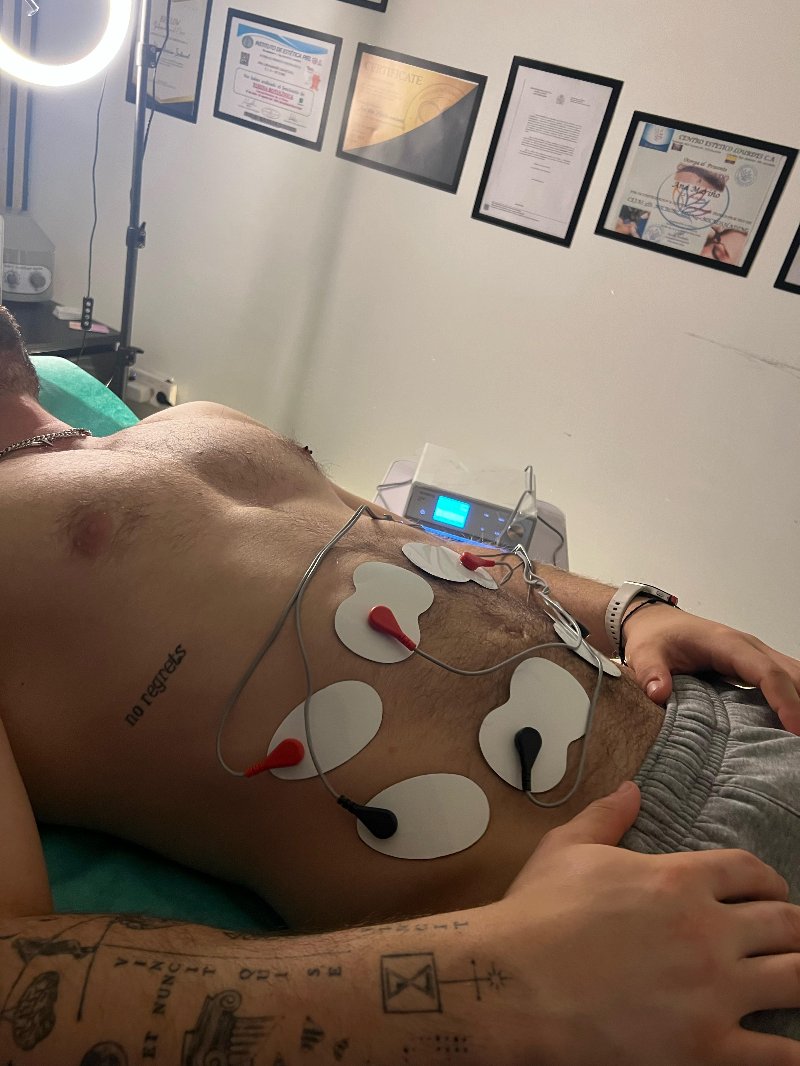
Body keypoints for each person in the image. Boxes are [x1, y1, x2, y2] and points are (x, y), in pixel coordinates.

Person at [2, 304, 800, 1062]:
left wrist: (630, 610)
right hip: (634, 920)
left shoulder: (191, 424)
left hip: (727, 722)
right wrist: (491, 983)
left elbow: (409, 544)